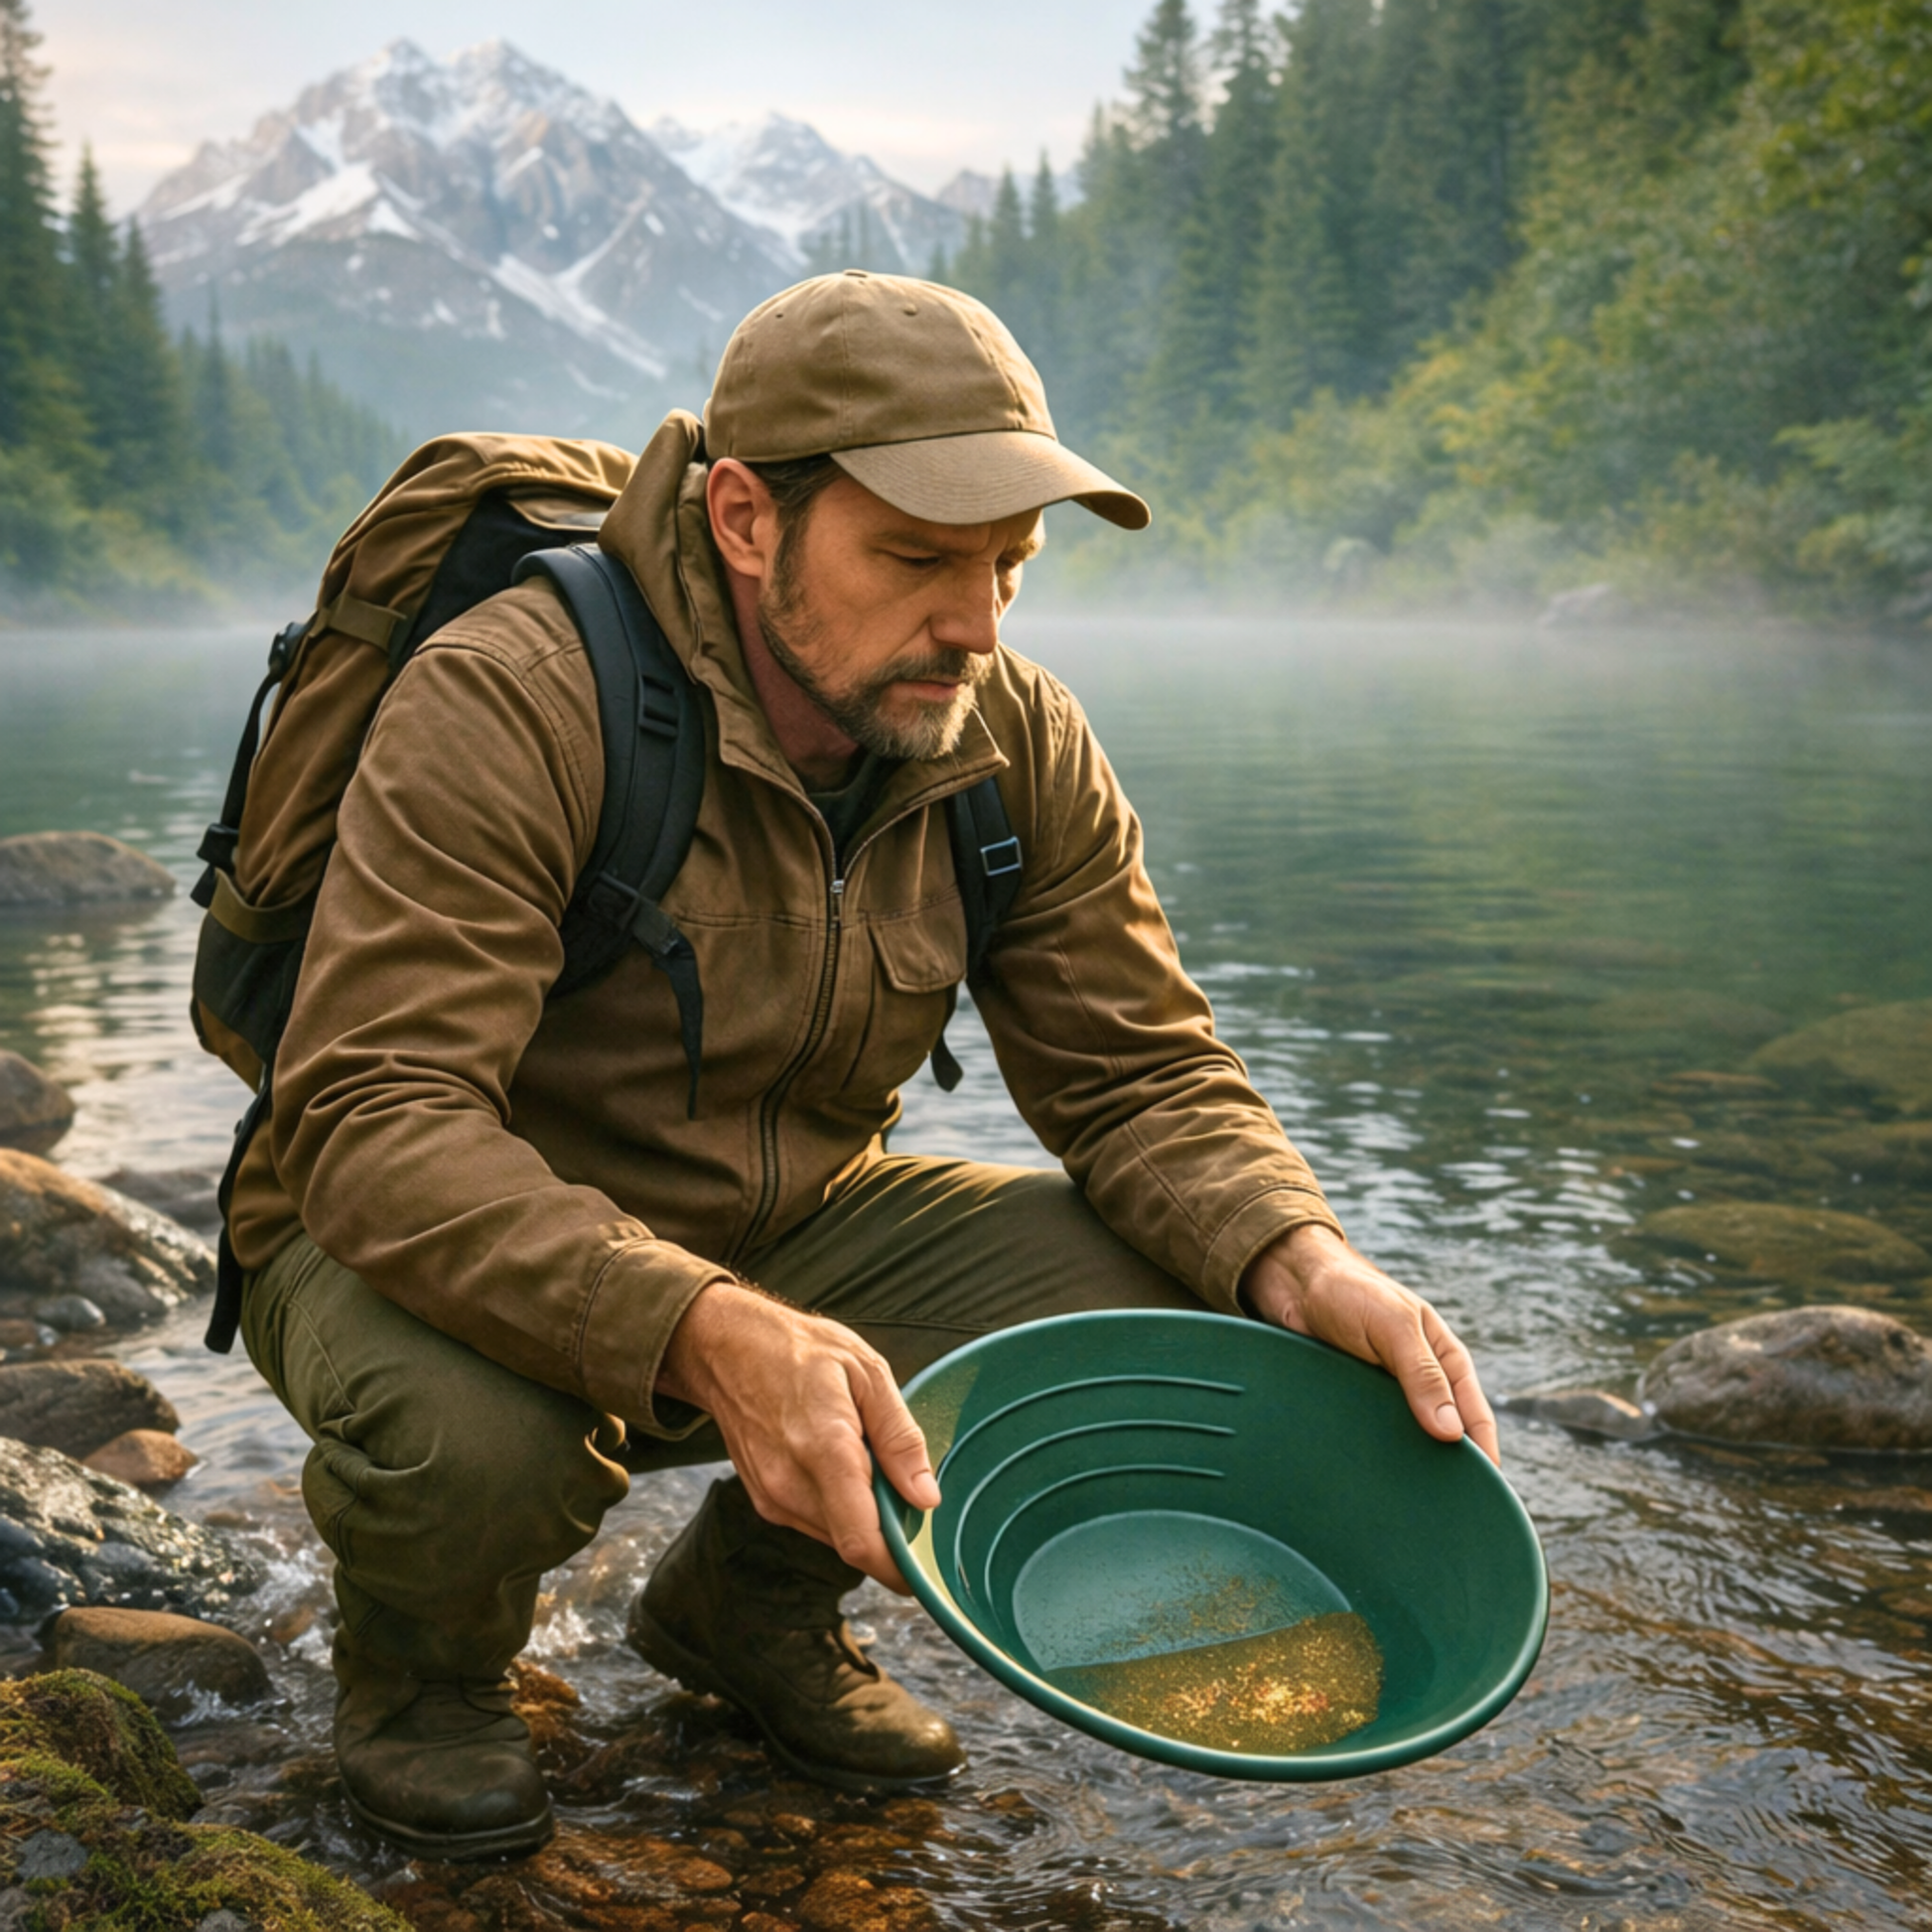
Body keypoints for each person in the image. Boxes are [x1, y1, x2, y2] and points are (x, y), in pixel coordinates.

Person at [229, 270, 1497, 1861]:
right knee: (488, 1438)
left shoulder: (1008, 735)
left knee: (1185, 1299)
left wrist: (1304, 1263)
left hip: (784, 1226)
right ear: (747, 519)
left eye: (1009, 567)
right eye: (915, 558)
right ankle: (422, 1686)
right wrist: (695, 1324)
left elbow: (1142, 1076)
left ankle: (744, 1613)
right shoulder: (515, 693)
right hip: (407, 1241)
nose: (972, 622)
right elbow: (375, 1117)